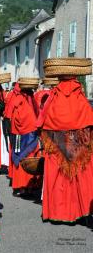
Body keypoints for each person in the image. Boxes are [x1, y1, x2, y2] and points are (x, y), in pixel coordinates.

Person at [38, 76, 93, 223]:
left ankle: (57, 213)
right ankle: (82, 211)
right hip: (79, 141)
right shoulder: (80, 98)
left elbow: (43, 121)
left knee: (58, 177)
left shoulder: (54, 97)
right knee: (79, 176)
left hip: (57, 141)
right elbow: (89, 121)